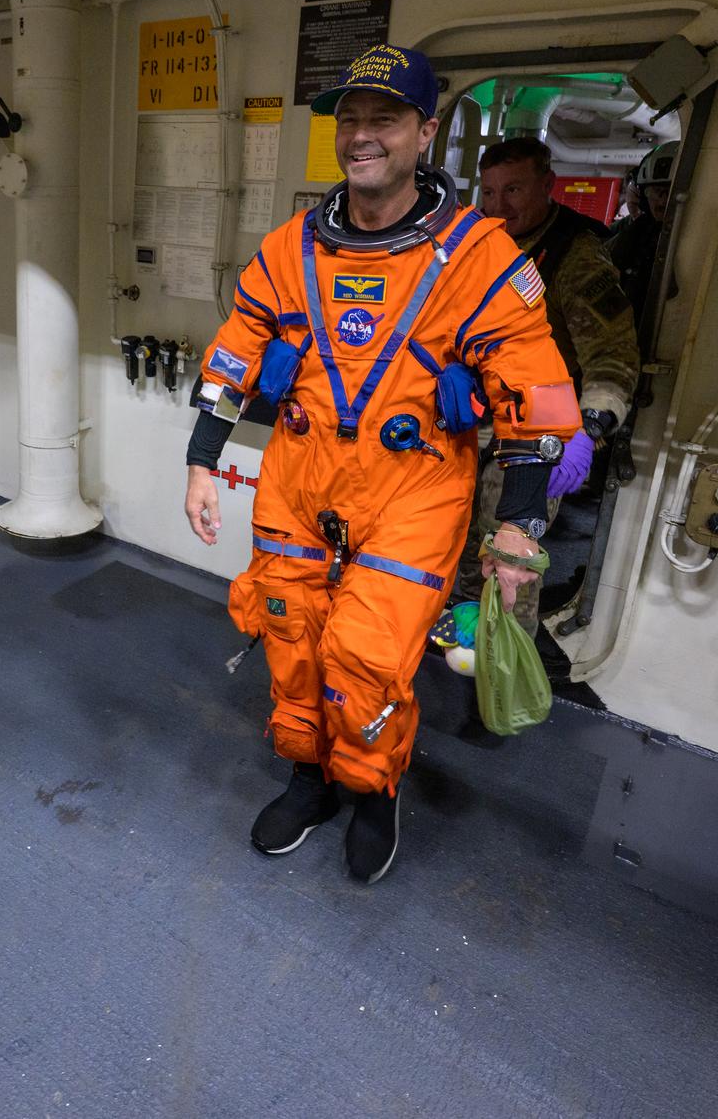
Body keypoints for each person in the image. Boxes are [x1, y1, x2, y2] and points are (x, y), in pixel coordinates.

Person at [182, 45, 578, 884]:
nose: (362, 135)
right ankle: (309, 775)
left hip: (416, 493)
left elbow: (535, 392)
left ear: (424, 132)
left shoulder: (480, 258)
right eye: (349, 119)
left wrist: (519, 526)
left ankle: (371, 789)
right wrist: (202, 461)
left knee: (367, 656)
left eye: (385, 118)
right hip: (298, 481)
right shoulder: (292, 247)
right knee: (291, 640)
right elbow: (234, 355)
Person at [455, 137, 640, 628]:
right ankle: (455, 652)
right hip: (462, 424)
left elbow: (614, 360)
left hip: (532, 433)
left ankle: (502, 678)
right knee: (451, 548)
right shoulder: (474, 248)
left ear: (547, 186)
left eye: (513, 189)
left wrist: (587, 429)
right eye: (489, 192)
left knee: (507, 561)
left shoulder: (575, 259)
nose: (499, 205)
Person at [605, 140, 680, 319]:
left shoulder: (694, 236)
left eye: (669, 191)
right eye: (656, 190)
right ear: (643, 195)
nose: (662, 200)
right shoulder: (631, 236)